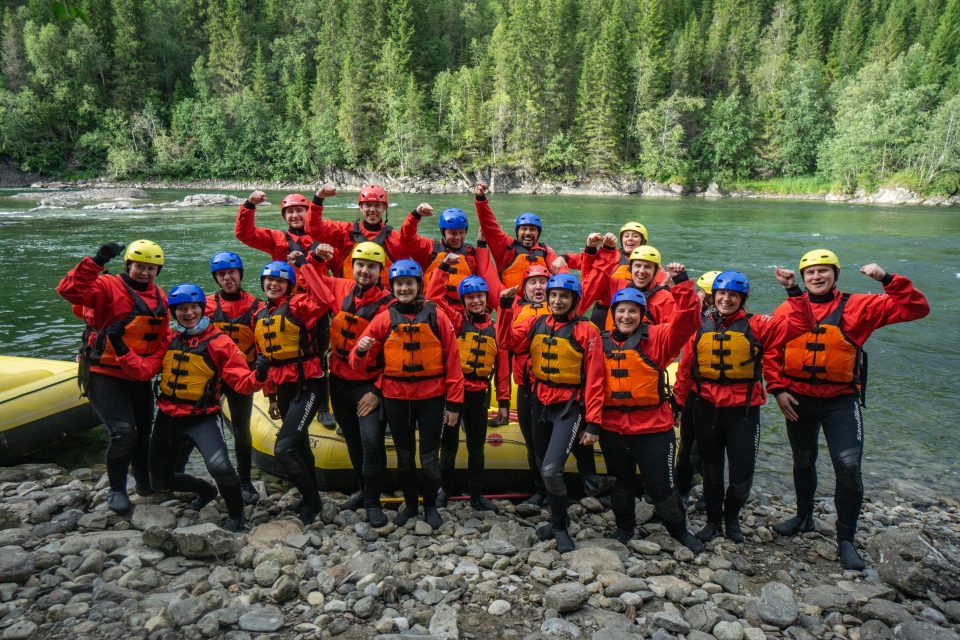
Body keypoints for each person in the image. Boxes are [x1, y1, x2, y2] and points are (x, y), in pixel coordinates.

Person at [765, 250, 929, 570]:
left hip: (840, 401)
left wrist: (887, 279)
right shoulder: (787, 308)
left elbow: (917, 308)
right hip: (798, 398)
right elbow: (772, 351)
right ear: (802, 277)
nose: (816, 277)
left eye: (823, 271)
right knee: (803, 459)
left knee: (848, 467)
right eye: (810, 272)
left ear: (835, 275)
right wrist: (778, 389)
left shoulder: (860, 306)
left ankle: (846, 539)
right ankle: (803, 517)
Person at [109, 283, 270, 532]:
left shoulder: (220, 342)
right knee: (160, 479)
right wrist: (120, 347)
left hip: (202, 418)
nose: (189, 313)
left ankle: (237, 516)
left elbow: (241, 382)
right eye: (182, 309)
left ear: (202, 309)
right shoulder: (169, 340)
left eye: (193, 307)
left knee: (221, 468)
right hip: (168, 417)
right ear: (174, 313)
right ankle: (205, 491)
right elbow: (144, 370)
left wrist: (259, 376)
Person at [673, 269, 814, 544]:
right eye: (722, 294)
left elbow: (802, 324)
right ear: (714, 297)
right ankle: (713, 522)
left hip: (743, 411)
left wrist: (793, 290)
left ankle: (732, 517)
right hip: (706, 407)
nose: (726, 299)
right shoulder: (700, 326)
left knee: (742, 472)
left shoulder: (758, 324)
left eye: (733, 295)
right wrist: (678, 403)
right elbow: (685, 368)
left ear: (742, 298)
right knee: (712, 470)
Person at [350, 260, 465, 529]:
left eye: (409, 284)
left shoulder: (437, 316)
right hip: (396, 398)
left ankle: (430, 506)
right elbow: (358, 365)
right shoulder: (383, 320)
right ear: (392, 288)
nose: (404, 288)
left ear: (418, 286)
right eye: (399, 284)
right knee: (404, 456)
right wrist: (361, 350)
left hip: (431, 397)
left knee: (428, 456)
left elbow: (454, 363)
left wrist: (455, 404)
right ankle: (411, 505)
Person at [56, 240, 168, 514]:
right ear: (128, 265)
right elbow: (69, 290)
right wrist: (96, 261)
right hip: (103, 371)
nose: (145, 273)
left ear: (158, 270)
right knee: (122, 432)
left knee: (143, 433)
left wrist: (150, 367)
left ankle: (144, 484)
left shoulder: (160, 296)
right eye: (140, 267)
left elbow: (163, 336)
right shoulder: (107, 286)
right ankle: (117, 489)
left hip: (138, 373)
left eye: (151, 268)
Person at [499, 273, 605, 552]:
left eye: (564, 296)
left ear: (574, 300)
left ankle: (560, 527)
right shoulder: (537, 323)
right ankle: (557, 518)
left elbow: (595, 378)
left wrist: (593, 423)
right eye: (554, 295)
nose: (557, 301)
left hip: (569, 407)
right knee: (539, 458)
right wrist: (505, 309)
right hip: (539, 402)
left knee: (550, 469)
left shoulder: (587, 331)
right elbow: (507, 342)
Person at [598, 277, 704, 552]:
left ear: (642, 315)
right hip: (613, 427)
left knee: (661, 487)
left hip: (653, 428)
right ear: (613, 314)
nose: (626, 315)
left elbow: (688, 323)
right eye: (621, 310)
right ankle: (624, 526)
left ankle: (679, 530)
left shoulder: (658, 339)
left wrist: (681, 285)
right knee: (619, 483)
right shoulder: (599, 342)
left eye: (633, 311)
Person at [302, 242, 395, 526]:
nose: (365, 271)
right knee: (354, 441)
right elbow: (313, 277)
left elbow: (396, 356)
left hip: (368, 385)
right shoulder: (341, 288)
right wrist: (312, 256)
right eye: (360, 265)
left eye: (371, 266)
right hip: (340, 381)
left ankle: (373, 502)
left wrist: (378, 391)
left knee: (370, 442)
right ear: (352, 266)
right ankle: (363, 489)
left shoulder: (390, 305)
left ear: (380, 271)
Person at [235, 188, 337, 427]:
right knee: (282, 351)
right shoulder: (276, 239)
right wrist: (249, 205)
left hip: (315, 304)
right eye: (290, 212)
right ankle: (282, 396)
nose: (295, 216)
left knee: (319, 354)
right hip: (287, 306)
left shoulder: (322, 235)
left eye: (299, 210)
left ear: (308, 212)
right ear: (284, 216)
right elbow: (244, 233)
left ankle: (323, 407)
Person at [253, 260, 334, 524]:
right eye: (269, 280)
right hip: (284, 388)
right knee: (299, 446)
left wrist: (304, 266)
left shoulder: (299, 307)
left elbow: (324, 299)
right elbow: (264, 358)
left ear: (289, 285)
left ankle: (312, 503)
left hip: (308, 385)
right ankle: (309, 498)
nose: (273, 284)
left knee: (284, 448)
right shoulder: (261, 316)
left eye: (280, 281)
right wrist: (271, 396)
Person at [426, 260, 510, 512]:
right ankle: (445, 489)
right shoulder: (456, 321)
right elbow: (432, 298)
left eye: (480, 296)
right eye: (470, 297)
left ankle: (476, 495)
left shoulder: (496, 330)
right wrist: (442, 268)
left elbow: (503, 369)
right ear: (463, 301)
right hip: (453, 394)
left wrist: (504, 402)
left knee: (476, 447)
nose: (476, 301)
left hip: (479, 396)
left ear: (487, 298)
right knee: (448, 444)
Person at [204, 252, 263, 505]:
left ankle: (245, 479)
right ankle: (217, 475)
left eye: (231, 272)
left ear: (240, 274)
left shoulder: (257, 307)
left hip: (241, 378)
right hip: (213, 378)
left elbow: (263, 344)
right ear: (216, 277)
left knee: (241, 430)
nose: (227, 278)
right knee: (205, 425)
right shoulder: (205, 304)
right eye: (221, 274)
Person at [305, 184, 438, 281]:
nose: (372, 210)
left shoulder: (394, 238)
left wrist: (416, 215)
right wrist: (318, 198)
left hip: (383, 302)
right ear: (360, 207)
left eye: (377, 206)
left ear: (384, 208)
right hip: (350, 297)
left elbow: (411, 241)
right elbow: (313, 229)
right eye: (368, 205)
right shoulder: (345, 232)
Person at [675, 269, 721, 504]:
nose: (698, 295)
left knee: (690, 445)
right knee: (708, 449)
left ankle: (684, 491)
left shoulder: (701, 322)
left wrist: (678, 401)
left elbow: (685, 366)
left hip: (698, 394)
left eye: (701, 292)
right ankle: (705, 492)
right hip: (718, 396)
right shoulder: (729, 319)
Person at [473, 182, 566, 289]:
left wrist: (562, 262)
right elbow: (490, 225)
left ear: (538, 233)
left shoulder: (546, 251)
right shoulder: (507, 247)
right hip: (511, 302)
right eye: (524, 229)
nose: (527, 233)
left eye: (532, 229)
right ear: (517, 232)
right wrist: (481, 200)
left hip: (539, 301)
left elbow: (560, 272)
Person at [585, 237, 677, 330]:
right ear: (630, 268)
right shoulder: (616, 285)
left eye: (647, 267)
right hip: (612, 342)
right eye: (637, 266)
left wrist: (682, 283)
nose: (641, 271)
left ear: (656, 271)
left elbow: (675, 333)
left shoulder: (666, 299)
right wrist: (598, 250)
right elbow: (590, 287)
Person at [423, 208, 498, 313]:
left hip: (464, 310)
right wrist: (416, 215)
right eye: (453, 233)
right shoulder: (430, 249)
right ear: (443, 232)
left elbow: (485, 278)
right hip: (438, 309)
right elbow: (407, 239)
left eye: (461, 233)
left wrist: (486, 307)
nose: (458, 237)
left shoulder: (470, 253)